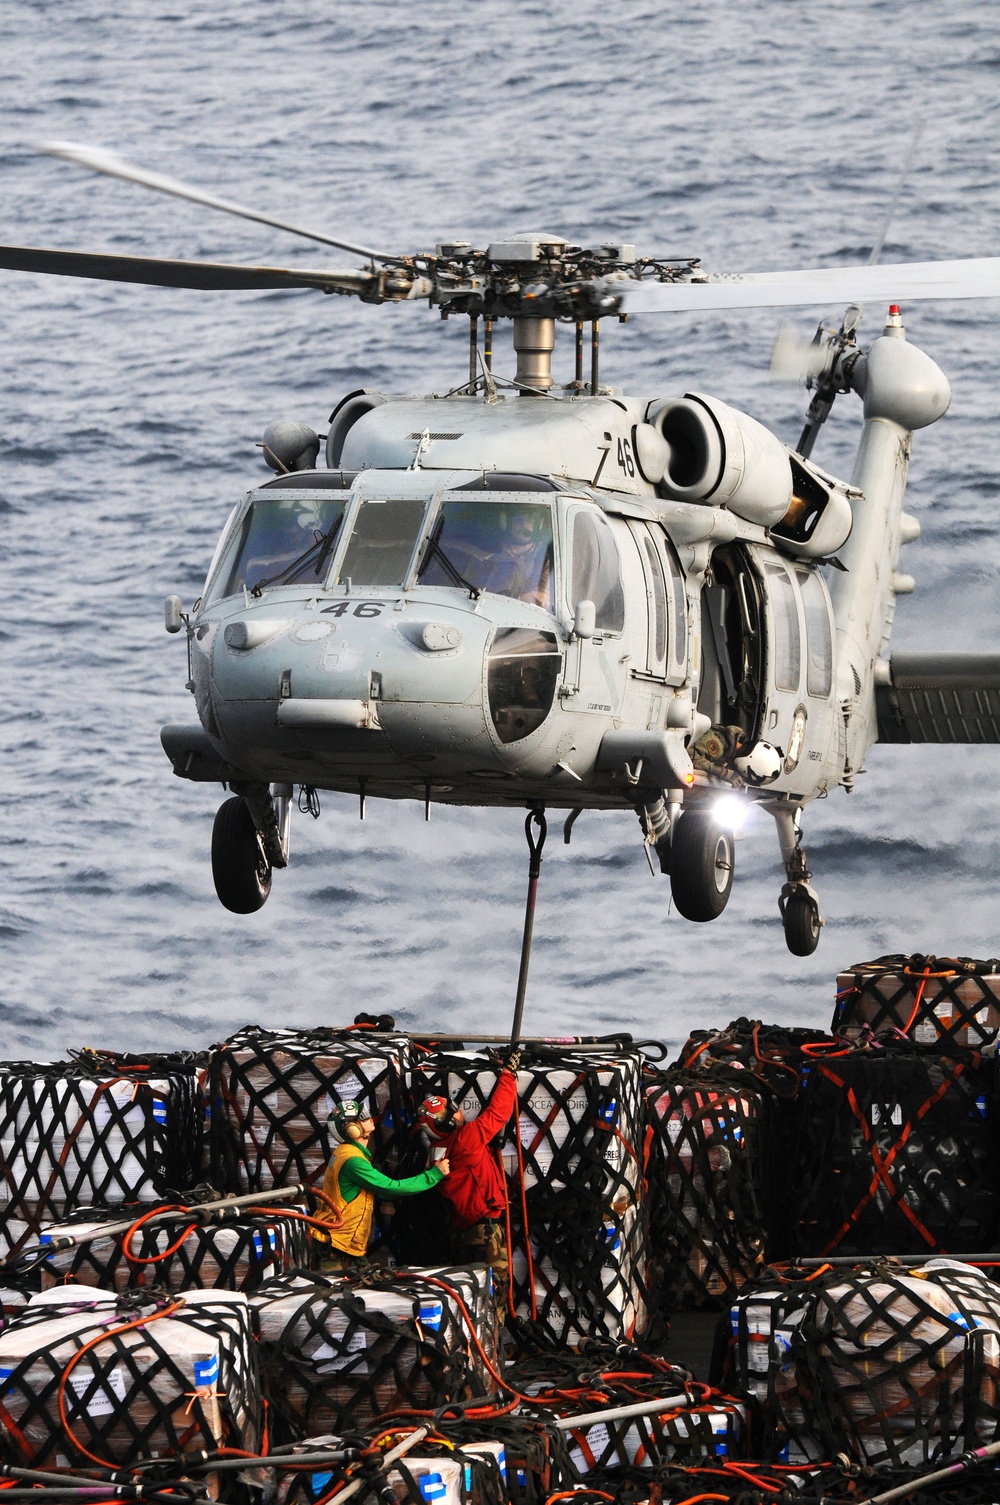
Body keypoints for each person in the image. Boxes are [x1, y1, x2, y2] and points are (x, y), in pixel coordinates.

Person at [417, 1050, 520, 1318]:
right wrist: (508, 1075)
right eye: (454, 1111)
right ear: (448, 1123)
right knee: (494, 1294)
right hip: (484, 1231)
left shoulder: (435, 1153)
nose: (461, 1112)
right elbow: (498, 1112)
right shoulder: (467, 1139)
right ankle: (490, 1340)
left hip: (462, 1232)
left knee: (469, 1293)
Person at [312, 1099, 450, 1272]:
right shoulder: (353, 1161)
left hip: (345, 1242)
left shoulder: (348, 1153)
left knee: (364, 1281)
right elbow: (391, 1187)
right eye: (363, 1117)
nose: (370, 1118)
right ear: (352, 1129)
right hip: (336, 1244)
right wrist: (434, 1174)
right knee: (335, 1288)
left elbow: (381, 1191)